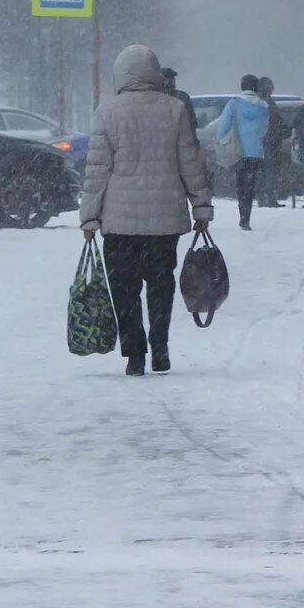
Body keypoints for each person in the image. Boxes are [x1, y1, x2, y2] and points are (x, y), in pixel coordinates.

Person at [79, 44, 215, 376]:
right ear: (154, 72)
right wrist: (201, 205)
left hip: (120, 222)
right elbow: (190, 162)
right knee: (160, 284)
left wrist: (89, 216)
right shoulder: (175, 109)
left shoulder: (107, 112)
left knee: (124, 288)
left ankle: (135, 353)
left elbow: (97, 169)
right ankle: (160, 346)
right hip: (164, 220)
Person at [213, 73, 272, 229]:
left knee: (241, 184)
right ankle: (247, 217)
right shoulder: (264, 106)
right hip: (256, 151)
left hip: (238, 150)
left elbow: (224, 125)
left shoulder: (234, 104)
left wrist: (220, 141)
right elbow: (264, 128)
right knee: (250, 184)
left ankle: (243, 216)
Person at [257, 75, 292, 207]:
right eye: (271, 87)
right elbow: (275, 122)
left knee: (263, 171)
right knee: (270, 171)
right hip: (270, 142)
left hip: (263, 141)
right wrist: (285, 130)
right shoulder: (267, 102)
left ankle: (263, 197)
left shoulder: (259, 101)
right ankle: (269, 197)